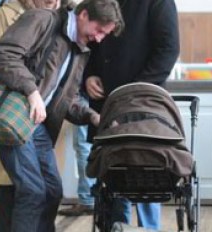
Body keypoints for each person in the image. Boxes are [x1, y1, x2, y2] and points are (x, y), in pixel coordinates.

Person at [0, 0, 124, 231]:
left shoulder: (80, 48)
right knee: (32, 190)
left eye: (105, 34)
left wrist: (92, 116)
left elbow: (64, 101)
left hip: (36, 125)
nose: (100, 38)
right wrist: (31, 91)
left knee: (52, 190)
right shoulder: (42, 19)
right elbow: (1, 54)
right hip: (14, 117)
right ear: (82, 15)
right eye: (99, 30)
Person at [85, 0, 180, 230]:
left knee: (148, 172)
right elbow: (89, 42)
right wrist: (89, 75)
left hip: (145, 103)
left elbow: (168, 50)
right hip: (106, 103)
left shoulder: (159, 2)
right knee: (111, 174)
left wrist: (134, 91)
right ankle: (117, 226)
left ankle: (149, 229)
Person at [0, 0, 58, 231]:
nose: (53, 2)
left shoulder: (59, 19)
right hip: (9, 115)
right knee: (13, 183)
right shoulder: (3, 15)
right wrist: (22, 88)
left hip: (38, 119)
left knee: (41, 188)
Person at [58, 93, 95, 216]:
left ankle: (87, 200)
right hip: (103, 93)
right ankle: (90, 198)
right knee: (87, 146)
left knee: (83, 145)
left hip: (88, 95)